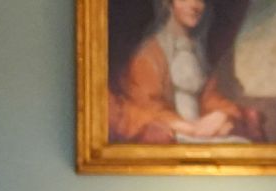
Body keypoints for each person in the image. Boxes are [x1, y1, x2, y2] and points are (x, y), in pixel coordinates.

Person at [109, 0, 265, 144]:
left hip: (202, 132)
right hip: (173, 133)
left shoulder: (196, 50)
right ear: (168, 3)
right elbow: (145, 106)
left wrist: (221, 114)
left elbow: (209, 97)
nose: (196, 6)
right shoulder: (149, 54)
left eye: (201, 0)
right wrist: (188, 127)